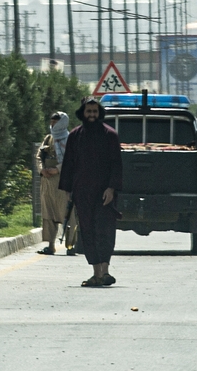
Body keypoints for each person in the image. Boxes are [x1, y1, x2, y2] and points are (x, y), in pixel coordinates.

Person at [59, 96, 123, 287]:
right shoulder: (75, 136)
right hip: (82, 192)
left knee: (104, 230)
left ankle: (105, 271)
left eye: (95, 112)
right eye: (89, 112)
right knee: (87, 231)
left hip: (104, 194)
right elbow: (69, 164)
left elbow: (116, 165)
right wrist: (68, 190)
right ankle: (96, 273)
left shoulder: (110, 135)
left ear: (99, 113)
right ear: (83, 113)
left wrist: (111, 188)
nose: (92, 115)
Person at [36, 112, 78, 256]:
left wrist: (57, 170)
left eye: (56, 122)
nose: (53, 124)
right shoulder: (48, 138)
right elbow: (39, 156)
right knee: (48, 214)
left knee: (67, 213)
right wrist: (42, 170)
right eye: (52, 121)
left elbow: (72, 160)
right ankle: (50, 245)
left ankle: (70, 246)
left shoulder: (70, 139)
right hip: (47, 183)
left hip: (63, 182)